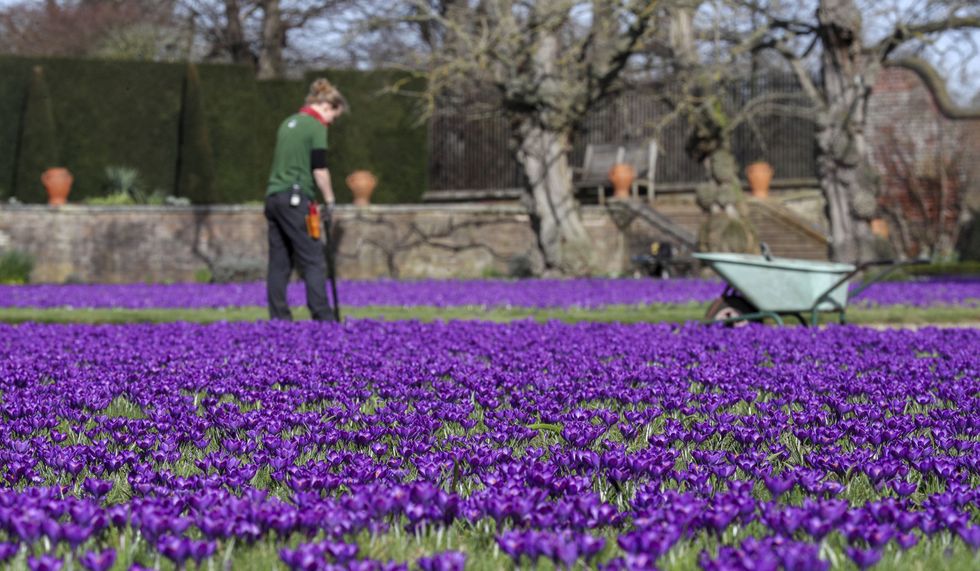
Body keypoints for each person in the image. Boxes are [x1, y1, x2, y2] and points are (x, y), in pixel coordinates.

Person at [265, 78, 346, 321]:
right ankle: (323, 316)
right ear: (327, 106)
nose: (331, 122)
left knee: (279, 262)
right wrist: (330, 200)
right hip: (296, 198)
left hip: (273, 198)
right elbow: (319, 168)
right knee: (313, 259)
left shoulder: (287, 122)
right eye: (333, 116)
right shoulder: (315, 126)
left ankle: (279, 319)